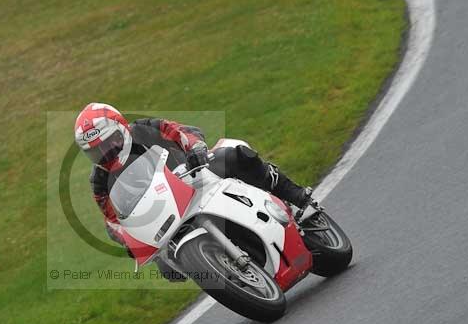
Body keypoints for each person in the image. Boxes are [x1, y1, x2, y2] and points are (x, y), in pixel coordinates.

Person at [74, 102, 317, 279]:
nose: (106, 152)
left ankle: (295, 198)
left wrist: (196, 148)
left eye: (110, 142)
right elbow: (113, 220)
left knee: (234, 153)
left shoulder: (145, 129)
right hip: (165, 217)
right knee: (170, 270)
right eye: (97, 151)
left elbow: (182, 132)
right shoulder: (100, 181)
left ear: (122, 128)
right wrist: (129, 240)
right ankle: (226, 272)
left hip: (197, 178)